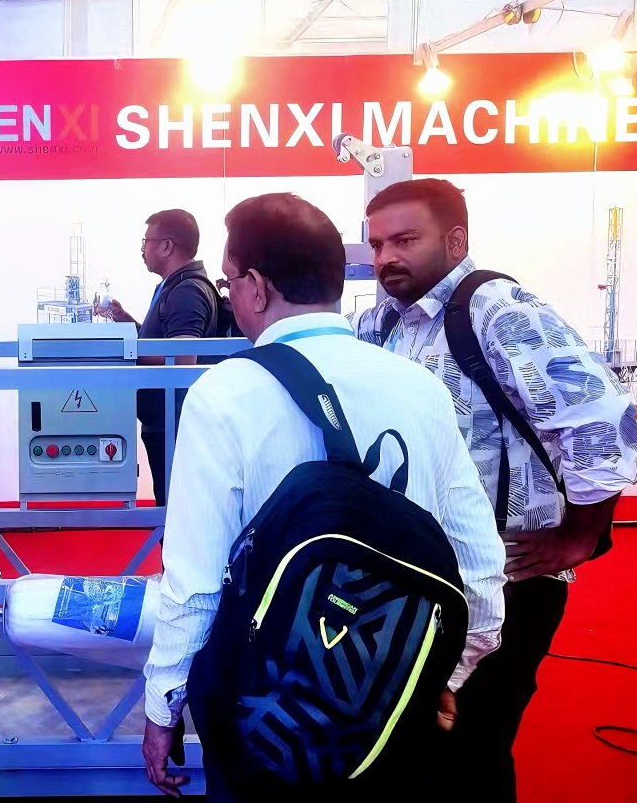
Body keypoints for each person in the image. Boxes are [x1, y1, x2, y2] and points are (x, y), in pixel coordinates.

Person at [141, 193, 507, 801]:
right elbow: (479, 563)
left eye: (231, 282)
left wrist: (163, 708)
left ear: (257, 287)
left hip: (264, 709)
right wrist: (445, 673)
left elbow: (194, 585)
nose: (232, 296)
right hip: (389, 699)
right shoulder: (418, 386)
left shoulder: (223, 394)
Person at [353, 178, 637, 802]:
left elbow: (601, 418)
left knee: (473, 745)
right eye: (376, 244)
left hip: (506, 577)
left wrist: (579, 536)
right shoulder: (386, 323)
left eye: (405, 240)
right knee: (422, 744)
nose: (386, 258)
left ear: (455, 241)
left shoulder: (497, 310)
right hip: (424, 575)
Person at [97, 209, 219, 506]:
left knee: (176, 507)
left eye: (146, 241)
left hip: (174, 424)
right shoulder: (174, 286)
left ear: (167, 246)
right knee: (168, 503)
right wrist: (126, 321)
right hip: (164, 421)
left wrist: (127, 352)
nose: (142, 249)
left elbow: (183, 360)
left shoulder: (187, 291)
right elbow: (165, 344)